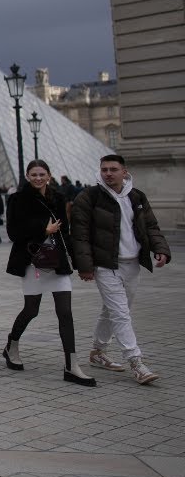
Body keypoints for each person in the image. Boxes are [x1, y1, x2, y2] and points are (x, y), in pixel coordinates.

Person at [71, 154, 171, 385]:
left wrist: (161, 249)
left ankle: (98, 352)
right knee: (121, 313)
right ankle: (136, 362)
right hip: (105, 265)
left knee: (113, 310)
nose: (108, 173)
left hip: (133, 263)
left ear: (124, 172)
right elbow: (80, 234)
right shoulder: (89, 197)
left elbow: (151, 226)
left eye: (113, 169)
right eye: (104, 169)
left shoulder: (136, 196)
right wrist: (85, 267)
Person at [2, 160, 94, 386]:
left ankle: (71, 365)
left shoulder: (58, 198)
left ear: (49, 176)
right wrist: (43, 229)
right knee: (31, 310)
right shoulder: (18, 199)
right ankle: (11, 344)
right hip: (33, 261)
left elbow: (66, 232)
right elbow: (14, 232)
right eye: (33, 174)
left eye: (42, 174)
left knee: (65, 312)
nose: (38, 178)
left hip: (57, 260)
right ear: (27, 175)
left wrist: (80, 263)